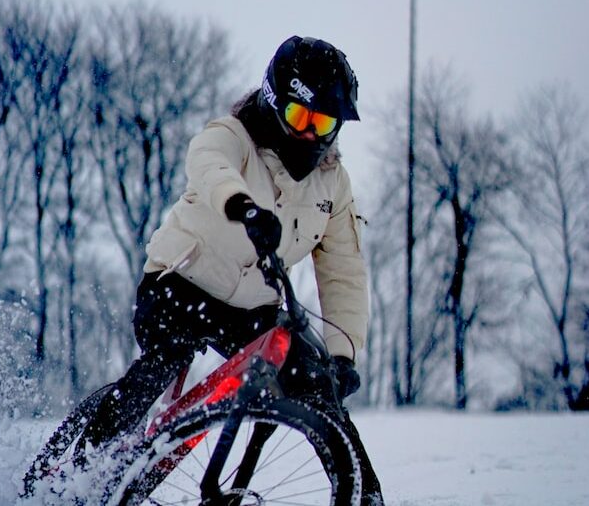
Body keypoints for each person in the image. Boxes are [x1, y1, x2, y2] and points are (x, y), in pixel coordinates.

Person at [82, 35, 383, 504]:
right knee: (163, 362)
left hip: (252, 309)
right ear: (272, 102)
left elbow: (342, 269)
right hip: (180, 282)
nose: (309, 134)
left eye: (322, 123)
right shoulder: (234, 135)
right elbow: (208, 163)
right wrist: (242, 207)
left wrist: (343, 355)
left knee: (317, 385)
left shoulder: (332, 184)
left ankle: (364, 496)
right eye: (299, 116)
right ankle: (77, 470)